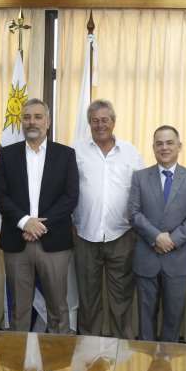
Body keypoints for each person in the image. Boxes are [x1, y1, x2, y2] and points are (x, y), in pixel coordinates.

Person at [0, 98, 79, 334]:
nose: (32, 122)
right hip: (16, 241)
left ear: (48, 122)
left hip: (54, 243)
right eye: (27, 117)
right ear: (21, 121)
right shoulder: (8, 154)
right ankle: (18, 366)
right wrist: (25, 222)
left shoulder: (65, 154)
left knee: (58, 309)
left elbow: (70, 197)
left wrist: (39, 226)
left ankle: (57, 365)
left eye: (38, 117)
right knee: (19, 309)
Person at [73, 99, 144, 338]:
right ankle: (89, 348)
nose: (100, 125)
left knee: (121, 296)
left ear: (114, 122)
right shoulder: (76, 151)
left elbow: (141, 191)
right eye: (95, 121)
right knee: (88, 297)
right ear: (89, 123)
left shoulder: (131, 152)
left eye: (105, 120)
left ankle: (119, 348)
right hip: (84, 234)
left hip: (122, 234)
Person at [128, 125, 186, 342]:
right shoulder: (140, 177)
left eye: (169, 142)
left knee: (173, 319)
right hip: (147, 257)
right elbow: (133, 213)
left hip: (178, 259)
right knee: (145, 319)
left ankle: (167, 368)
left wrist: (172, 239)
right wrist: (156, 236)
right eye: (159, 143)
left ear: (179, 146)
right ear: (153, 147)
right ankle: (145, 366)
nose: (164, 147)